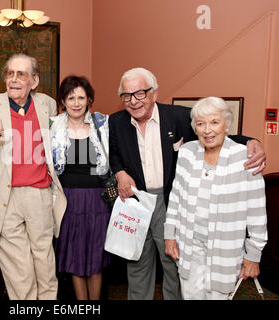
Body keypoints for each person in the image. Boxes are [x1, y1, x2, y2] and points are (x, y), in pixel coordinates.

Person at [108, 67, 266, 300]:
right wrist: (120, 172)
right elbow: (113, 153)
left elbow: (213, 129)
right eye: (126, 95)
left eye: (140, 93)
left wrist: (253, 141)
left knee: (173, 263)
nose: (133, 101)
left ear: (154, 93)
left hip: (170, 199)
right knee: (137, 262)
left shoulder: (179, 116)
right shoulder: (116, 121)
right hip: (136, 201)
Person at [0, 53, 67, 300]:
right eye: (9, 73)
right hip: (4, 199)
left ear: (33, 81)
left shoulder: (46, 103)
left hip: (40, 195)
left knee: (46, 267)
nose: (13, 80)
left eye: (21, 74)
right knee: (19, 273)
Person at [164, 97, 267, 299]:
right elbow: (176, 196)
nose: (207, 130)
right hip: (188, 246)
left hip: (224, 250)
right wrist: (169, 236)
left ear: (227, 124)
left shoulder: (245, 157)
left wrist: (253, 256)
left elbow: (257, 212)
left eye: (214, 122)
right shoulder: (187, 152)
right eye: (201, 124)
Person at [50, 75, 111, 300]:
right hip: (68, 201)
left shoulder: (102, 124)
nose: (76, 103)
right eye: (70, 97)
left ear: (89, 100)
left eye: (81, 98)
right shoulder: (53, 126)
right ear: (63, 101)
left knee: (95, 259)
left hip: (97, 201)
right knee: (76, 259)